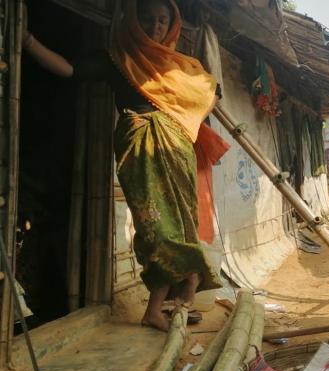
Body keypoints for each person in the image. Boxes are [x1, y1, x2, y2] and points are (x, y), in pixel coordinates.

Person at [22, 0, 229, 331]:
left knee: (185, 222)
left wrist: (188, 118)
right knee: (157, 228)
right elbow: (70, 69)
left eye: (162, 20)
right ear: (133, 21)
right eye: (147, 18)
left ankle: (181, 300)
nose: (155, 26)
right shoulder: (118, 60)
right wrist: (28, 42)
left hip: (178, 151)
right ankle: (155, 309)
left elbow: (213, 91)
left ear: (172, 25)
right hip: (140, 150)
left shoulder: (182, 67)